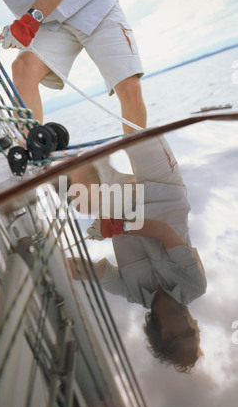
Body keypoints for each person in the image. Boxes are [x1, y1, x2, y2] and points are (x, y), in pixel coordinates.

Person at [67, 134, 207, 373]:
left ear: (164, 334)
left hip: (118, 200)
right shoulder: (194, 286)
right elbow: (164, 232)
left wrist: (54, 265)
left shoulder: (132, 292)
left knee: (77, 190)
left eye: (183, 334)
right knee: (134, 119)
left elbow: (91, 272)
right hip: (163, 191)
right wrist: (118, 227)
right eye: (192, 331)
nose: (188, 325)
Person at [0, 0, 147, 132]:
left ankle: (143, 171)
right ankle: (35, 160)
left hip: (94, 5)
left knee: (130, 88)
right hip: (47, 26)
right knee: (23, 69)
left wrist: (28, 23)